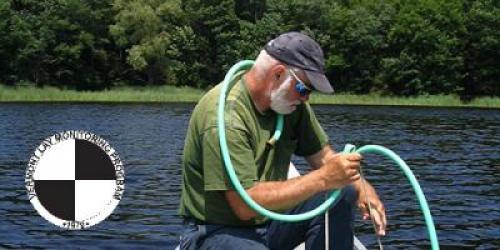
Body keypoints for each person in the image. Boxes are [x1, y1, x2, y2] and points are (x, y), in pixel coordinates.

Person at [178, 32, 386, 250]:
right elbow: (245, 205)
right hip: (215, 231)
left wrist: (364, 191)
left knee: (343, 192)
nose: (306, 98)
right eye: (303, 89)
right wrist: (323, 178)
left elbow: (324, 157)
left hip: (268, 223)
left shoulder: (290, 105)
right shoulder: (225, 118)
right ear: (278, 74)